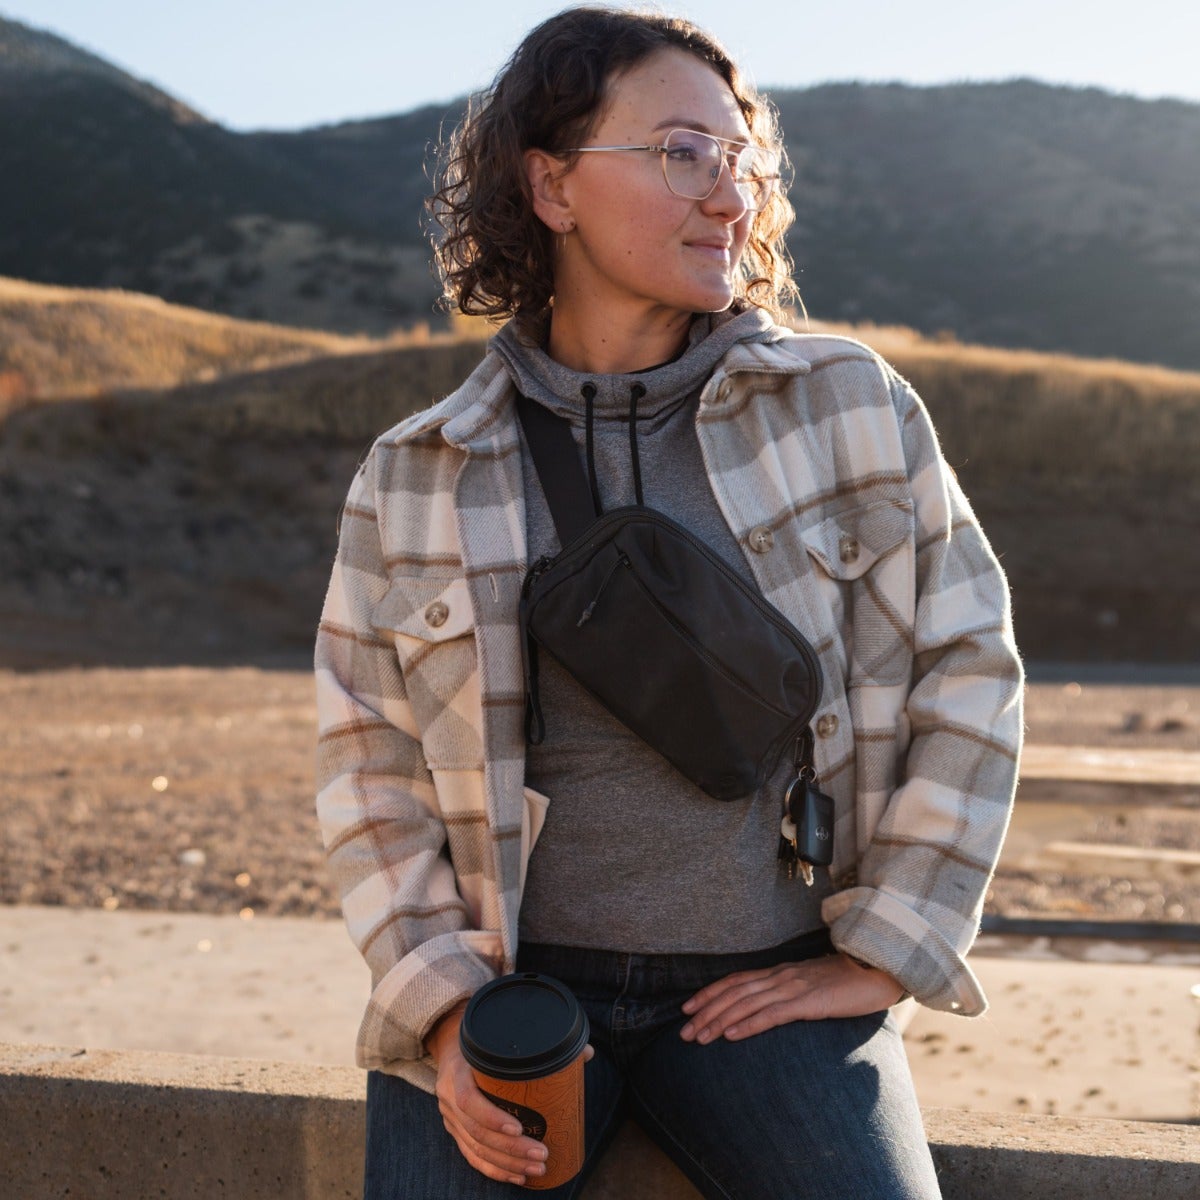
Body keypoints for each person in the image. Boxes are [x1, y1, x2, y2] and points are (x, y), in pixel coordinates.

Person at [314, 7, 1023, 1198]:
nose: (730, 197)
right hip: (516, 1000)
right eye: (682, 152)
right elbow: (366, 764)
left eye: (740, 159)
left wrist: (886, 953)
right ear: (551, 187)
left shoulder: (848, 405)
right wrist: (444, 1015)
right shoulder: (419, 470)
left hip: (768, 989)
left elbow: (971, 666)